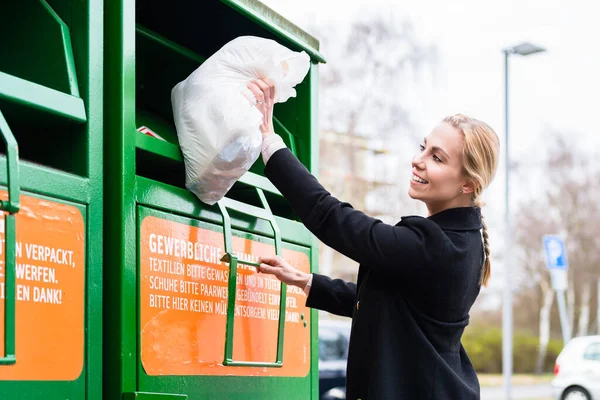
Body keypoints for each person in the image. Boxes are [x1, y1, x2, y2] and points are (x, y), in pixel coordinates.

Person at [247, 78, 500, 400]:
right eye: (423, 147)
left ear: (467, 184)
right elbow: (390, 305)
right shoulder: (461, 242)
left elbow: (333, 218)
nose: (418, 160)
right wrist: (306, 280)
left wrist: (270, 143)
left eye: (437, 158)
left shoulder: (436, 245)